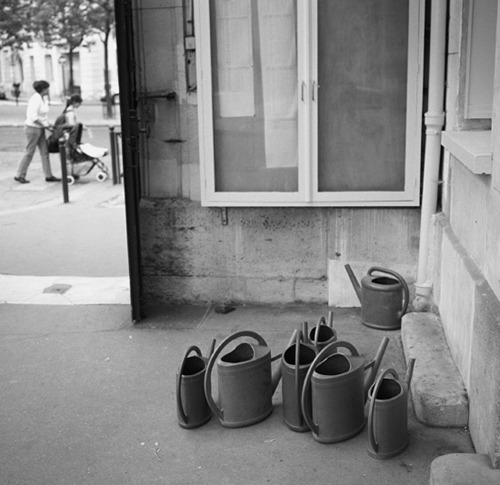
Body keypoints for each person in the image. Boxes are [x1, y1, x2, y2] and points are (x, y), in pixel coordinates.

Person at [14, 80, 61, 184]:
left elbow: (42, 115)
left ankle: (48, 175)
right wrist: (45, 125)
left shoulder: (42, 98)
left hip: (40, 128)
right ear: (43, 89)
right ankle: (19, 174)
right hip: (32, 129)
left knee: (45, 152)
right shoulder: (35, 99)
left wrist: (47, 124)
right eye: (47, 88)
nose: (48, 90)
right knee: (29, 152)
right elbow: (33, 117)